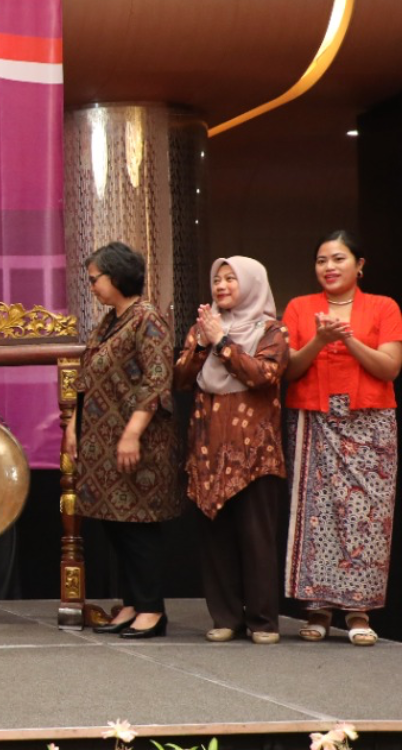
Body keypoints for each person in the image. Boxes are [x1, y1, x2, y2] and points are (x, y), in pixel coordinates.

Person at [282, 230, 402, 646]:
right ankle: (317, 609)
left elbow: (389, 368)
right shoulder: (300, 307)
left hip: (370, 424)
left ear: (360, 265)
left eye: (338, 259)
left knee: (365, 516)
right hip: (314, 419)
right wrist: (320, 340)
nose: (329, 267)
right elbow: (289, 370)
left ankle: (358, 610)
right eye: (322, 260)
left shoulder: (383, 306)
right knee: (316, 512)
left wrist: (348, 338)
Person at [172, 257, 288, 645]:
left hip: (255, 452)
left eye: (230, 279)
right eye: (217, 280)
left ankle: (263, 621)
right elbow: (181, 379)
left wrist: (222, 342)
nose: (221, 286)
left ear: (252, 283)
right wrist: (203, 344)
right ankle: (225, 616)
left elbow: (262, 375)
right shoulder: (202, 330)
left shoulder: (272, 330)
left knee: (257, 539)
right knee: (215, 536)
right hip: (208, 449)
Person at [69, 241, 180, 640]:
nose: (92, 286)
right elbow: (86, 378)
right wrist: (73, 426)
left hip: (137, 442)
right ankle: (132, 602)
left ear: (117, 276)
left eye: (95, 279)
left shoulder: (148, 319)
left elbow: (156, 381)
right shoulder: (109, 321)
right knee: (115, 526)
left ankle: (152, 609)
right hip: (102, 443)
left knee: (138, 528)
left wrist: (132, 433)